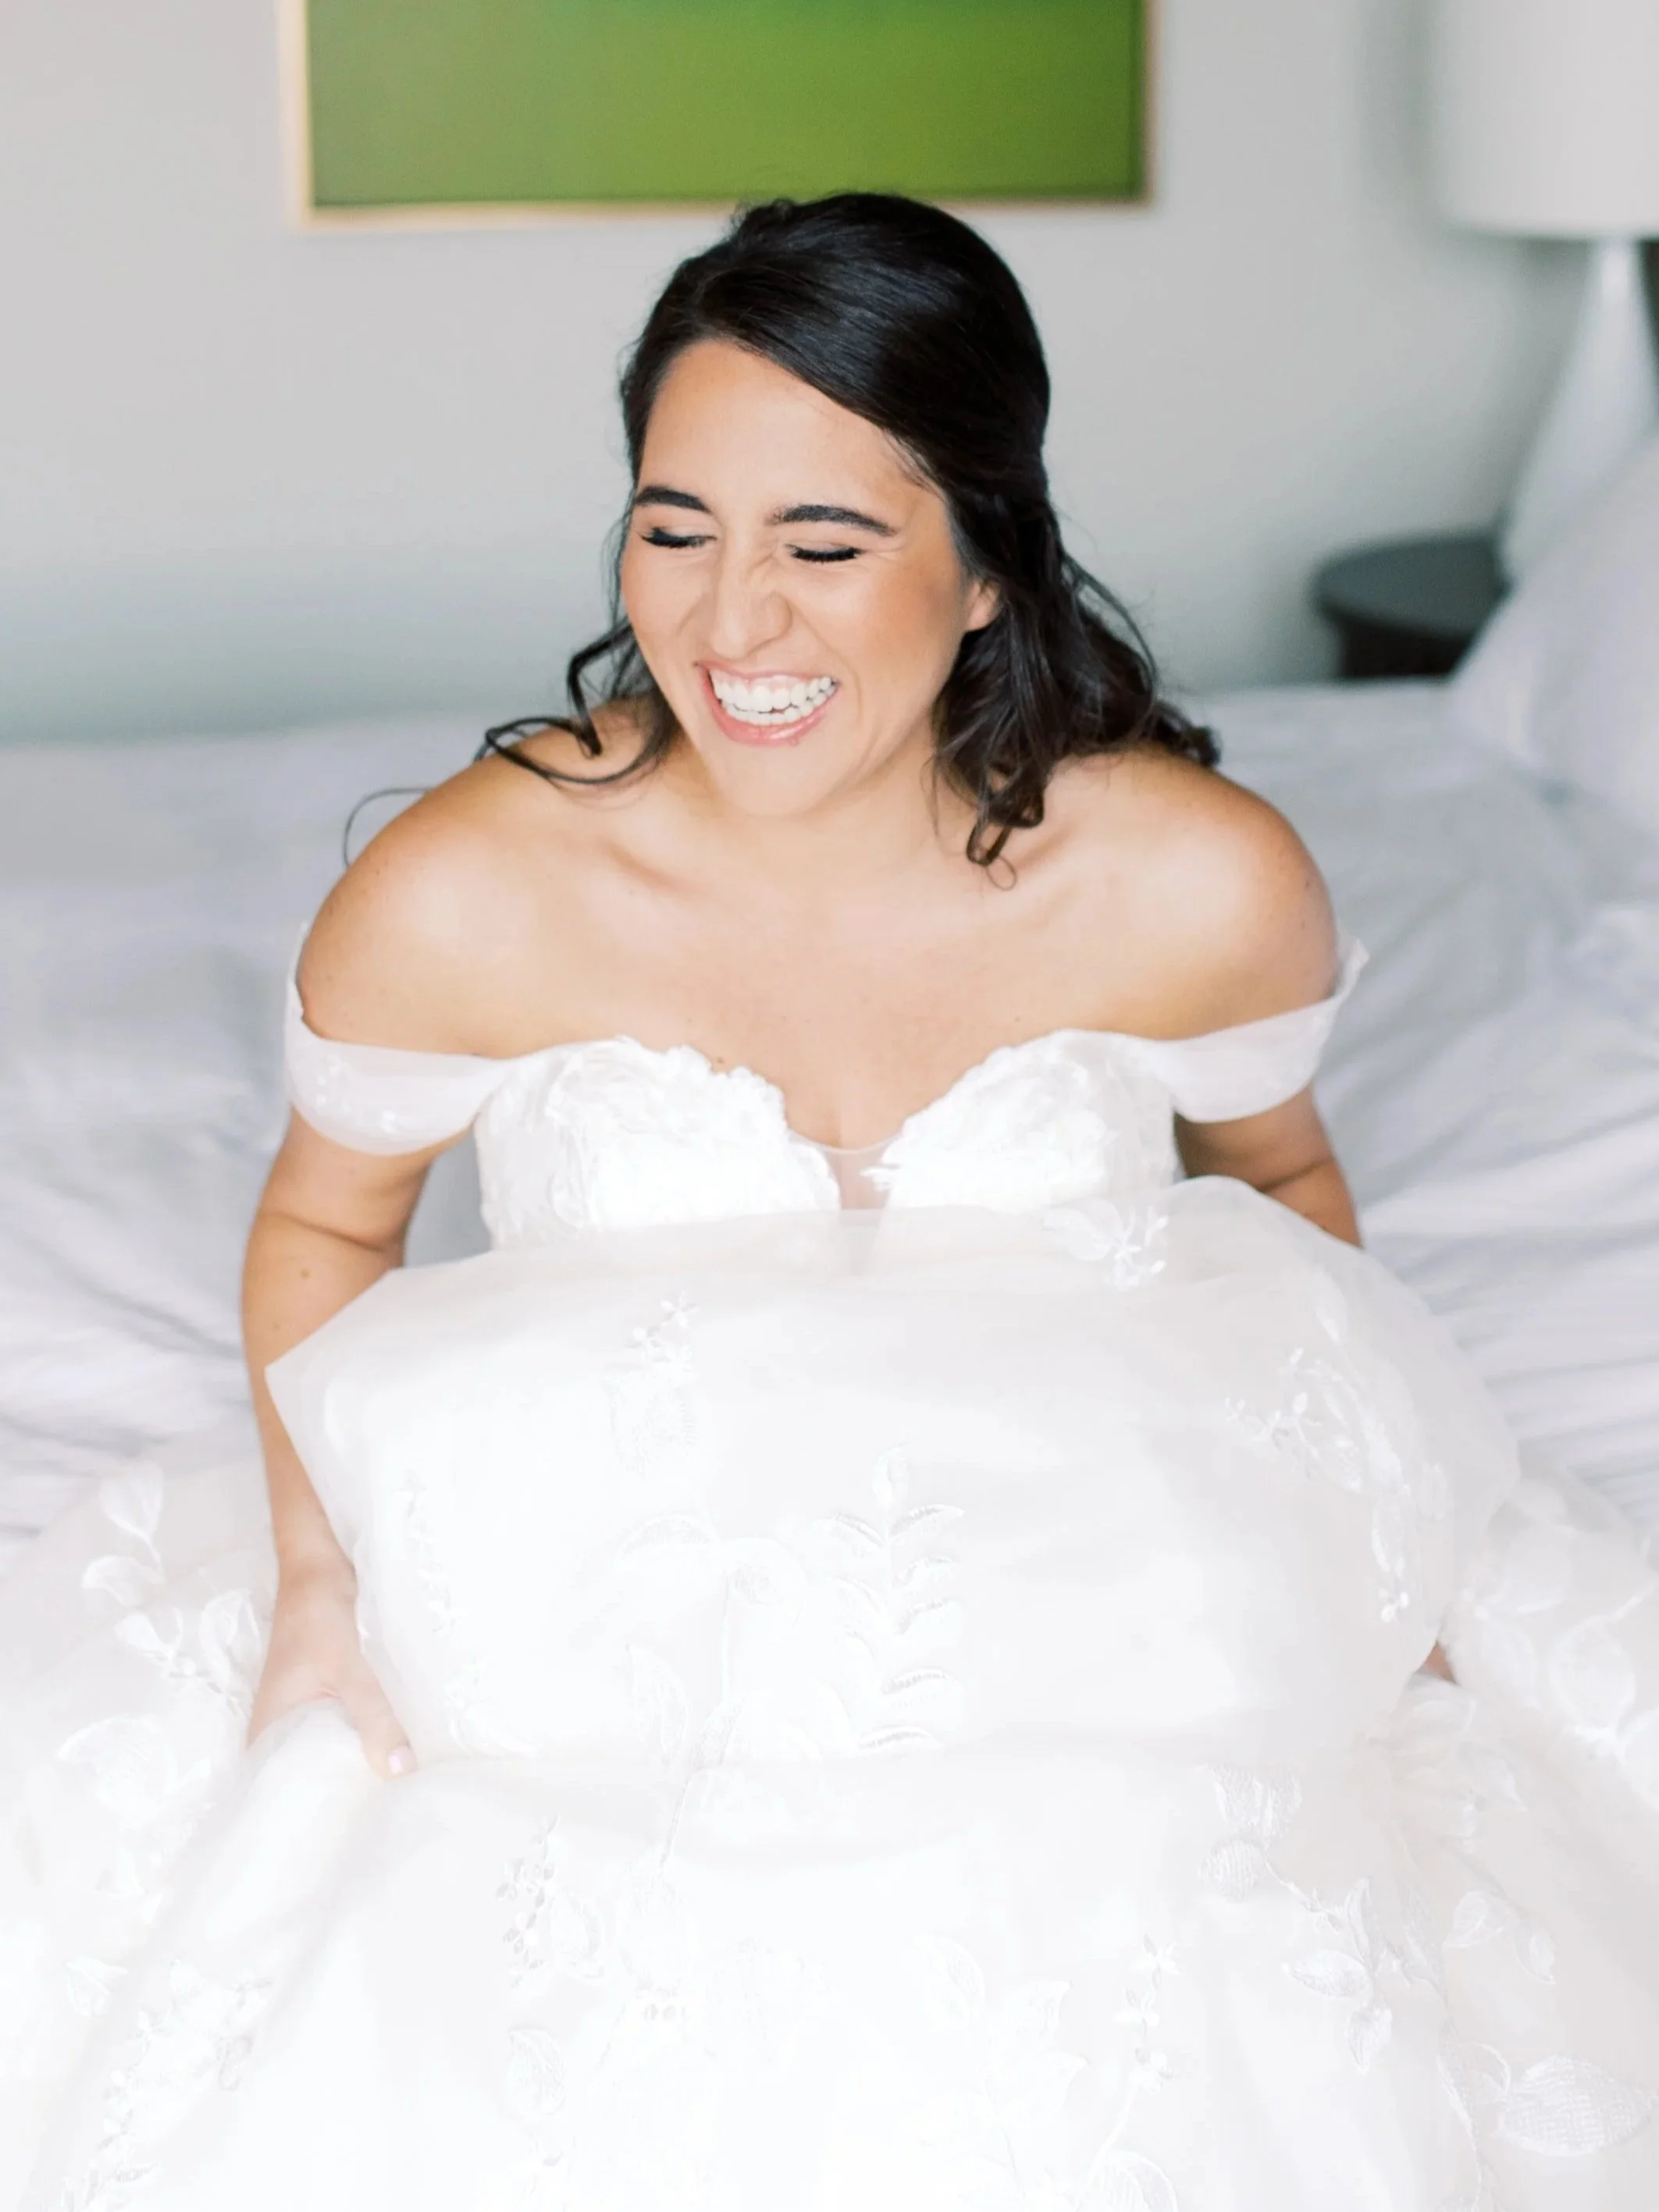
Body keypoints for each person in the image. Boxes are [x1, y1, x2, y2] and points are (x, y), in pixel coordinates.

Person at [3, 194, 1656, 2211]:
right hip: (599, 1592)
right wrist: (326, 1594)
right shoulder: (469, 890)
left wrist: (1358, 1541)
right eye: (675, 525)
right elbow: (325, 1228)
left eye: (823, 541)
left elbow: (1283, 1175)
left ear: (980, 567)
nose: (728, 625)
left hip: (1102, 1567)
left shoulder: (1191, 882)